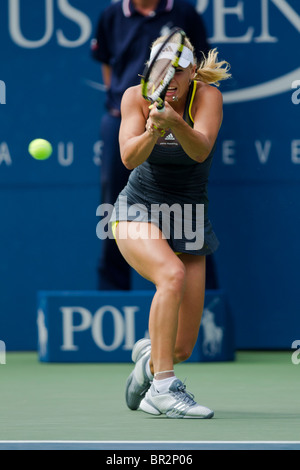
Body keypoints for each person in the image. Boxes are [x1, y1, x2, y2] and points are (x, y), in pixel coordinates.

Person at [111, 34, 231, 418]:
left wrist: (175, 123)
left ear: (193, 71)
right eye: (163, 68)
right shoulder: (135, 97)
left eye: (179, 68)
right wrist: (151, 130)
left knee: (181, 348)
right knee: (171, 274)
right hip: (137, 208)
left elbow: (200, 150)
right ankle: (162, 388)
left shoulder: (207, 97)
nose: (171, 76)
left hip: (190, 217)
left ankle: (150, 363)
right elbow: (129, 159)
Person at [91, 0, 211, 290]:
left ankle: (201, 293)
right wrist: (123, 102)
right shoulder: (111, 15)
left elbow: (199, 63)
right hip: (126, 115)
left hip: (179, 115)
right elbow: (108, 63)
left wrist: (177, 116)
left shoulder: (184, 13)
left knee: (189, 197)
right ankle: (114, 290)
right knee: (114, 201)